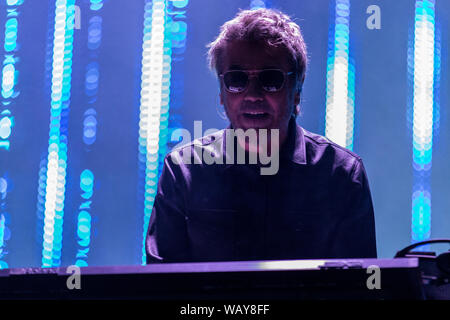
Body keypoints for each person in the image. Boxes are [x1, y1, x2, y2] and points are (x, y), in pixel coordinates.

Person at [146, 8, 377, 263]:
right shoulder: (183, 172)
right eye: (236, 80)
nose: (253, 94)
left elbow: (358, 288)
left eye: (270, 79)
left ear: (297, 87)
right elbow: (162, 286)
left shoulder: (341, 175)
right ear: (222, 92)